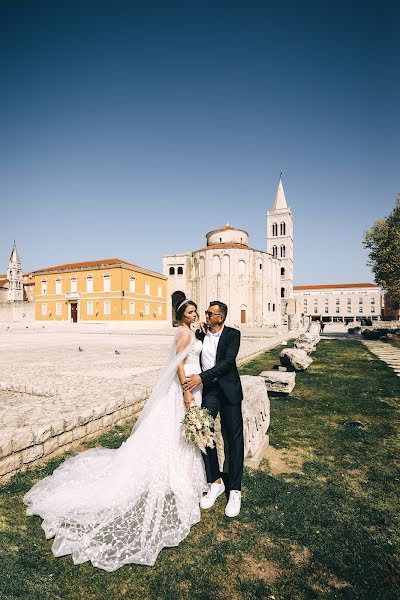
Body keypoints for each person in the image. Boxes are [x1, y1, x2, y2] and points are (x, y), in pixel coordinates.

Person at [23, 299, 206, 570]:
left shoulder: (190, 331)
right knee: (174, 428)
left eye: (195, 311)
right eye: (190, 312)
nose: (194, 315)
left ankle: (180, 468)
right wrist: (186, 390)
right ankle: (171, 471)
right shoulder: (182, 333)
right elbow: (179, 364)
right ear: (181, 316)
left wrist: (197, 331)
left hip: (194, 384)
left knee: (179, 431)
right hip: (186, 387)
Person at [184, 301, 244, 518]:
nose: (206, 316)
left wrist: (201, 377)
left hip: (229, 391)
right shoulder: (200, 334)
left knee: (233, 438)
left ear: (221, 317)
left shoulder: (233, 335)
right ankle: (215, 481)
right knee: (202, 431)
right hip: (210, 392)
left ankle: (235, 490)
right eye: (206, 312)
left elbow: (227, 363)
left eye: (210, 314)